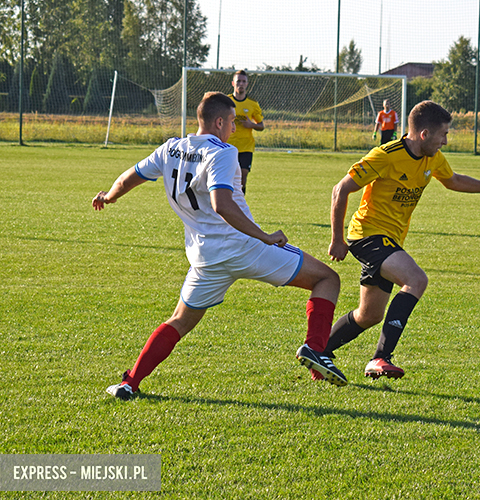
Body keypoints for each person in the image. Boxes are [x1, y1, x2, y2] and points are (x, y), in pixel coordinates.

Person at [93, 92, 347, 400]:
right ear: (218, 121)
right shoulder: (224, 152)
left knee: (180, 320)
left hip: (205, 258)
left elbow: (129, 178)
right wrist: (265, 236)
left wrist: (109, 196)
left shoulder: (170, 148)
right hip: (246, 248)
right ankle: (316, 350)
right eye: (231, 122)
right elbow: (222, 204)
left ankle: (130, 383)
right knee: (327, 279)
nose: (234, 130)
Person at [325, 101, 480, 380]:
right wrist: (337, 239)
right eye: (443, 135)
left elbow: (453, 181)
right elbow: (340, 189)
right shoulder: (386, 155)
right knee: (416, 279)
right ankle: (380, 358)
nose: (446, 141)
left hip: (390, 240)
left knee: (369, 314)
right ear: (424, 134)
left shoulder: (432, 158)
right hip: (367, 234)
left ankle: (318, 348)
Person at [227, 69, 265, 194]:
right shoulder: (225, 101)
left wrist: (251, 125)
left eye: (244, 81)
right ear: (233, 83)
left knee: (243, 177)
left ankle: (240, 202)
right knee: (227, 177)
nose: (241, 84)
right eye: (238, 81)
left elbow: (261, 126)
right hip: (228, 145)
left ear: (247, 84)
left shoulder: (252, 104)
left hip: (246, 147)